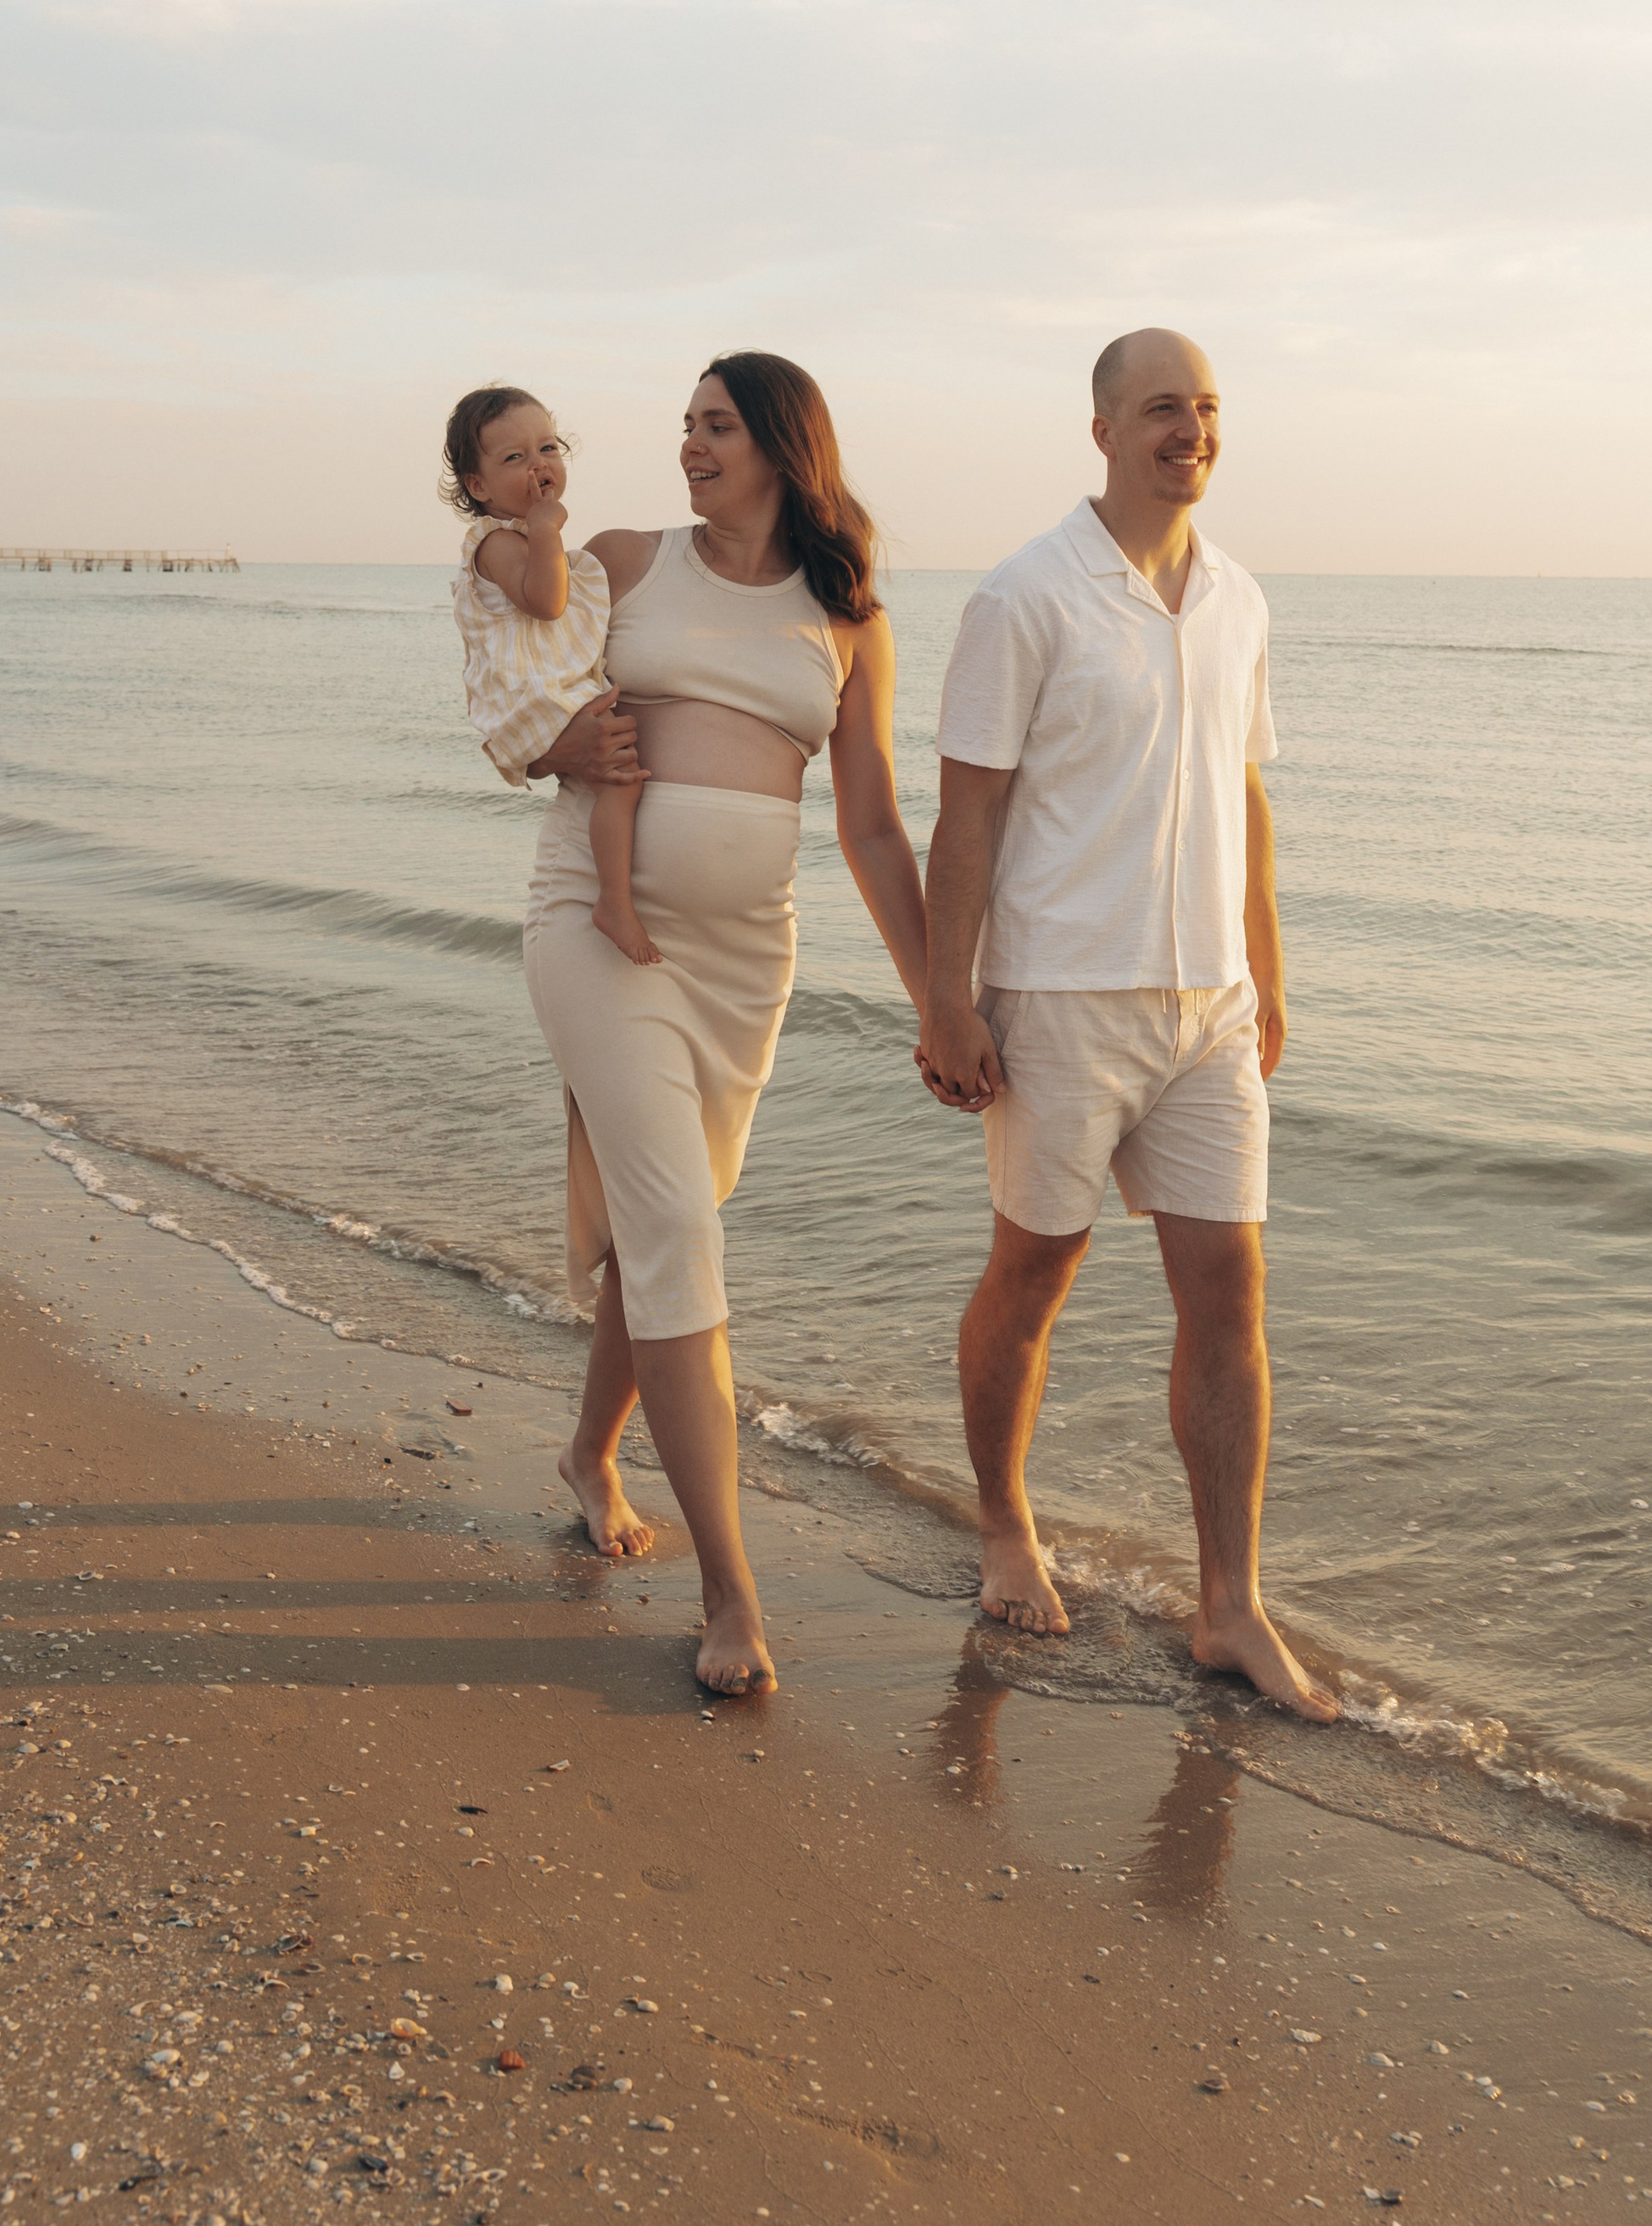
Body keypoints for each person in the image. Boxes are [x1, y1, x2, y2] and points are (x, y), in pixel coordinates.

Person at [917, 327, 1338, 1721]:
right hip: (1057, 999)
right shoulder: (1025, 597)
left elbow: (1250, 793)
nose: (1192, 431)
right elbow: (966, 813)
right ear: (1101, 427)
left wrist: (1266, 973)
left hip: (1208, 1010)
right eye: (1164, 408)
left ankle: (1232, 1606)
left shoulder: (1239, 601)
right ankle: (1001, 1525)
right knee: (1033, 1279)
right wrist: (945, 996)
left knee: (1231, 1297)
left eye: (1209, 409)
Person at [523, 354, 927, 1694]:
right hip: (597, 921)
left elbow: (869, 820)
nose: (689, 444)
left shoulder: (848, 611)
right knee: (681, 1239)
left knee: (666, 1231)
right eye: (684, 425)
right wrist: (544, 747)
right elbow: (508, 670)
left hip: (747, 960)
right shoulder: (626, 562)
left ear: (777, 444)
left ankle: (591, 1455)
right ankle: (732, 1598)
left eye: (714, 425)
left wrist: (942, 1002)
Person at [444, 384, 660, 966]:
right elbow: (545, 602)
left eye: (548, 447)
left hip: (543, 691)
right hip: (534, 698)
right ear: (479, 486)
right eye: (514, 458)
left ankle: (614, 894)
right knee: (622, 779)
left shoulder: (523, 542)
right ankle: (613, 901)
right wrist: (546, 529)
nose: (538, 464)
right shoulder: (496, 545)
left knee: (619, 781)